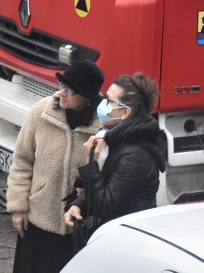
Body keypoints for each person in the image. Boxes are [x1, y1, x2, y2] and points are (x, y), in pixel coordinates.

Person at [7, 59, 104, 273]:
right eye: (61, 85)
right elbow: (22, 161)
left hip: (79, 228)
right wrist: (18, 207)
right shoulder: (41, 112)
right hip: (39, 222)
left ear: (87, 97)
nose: (61, 92)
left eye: (70, 89)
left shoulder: (103, 127)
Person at [63, 72, 166, 234]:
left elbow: (106, 207)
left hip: (130, 236)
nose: (103, 104)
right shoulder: (113, 135)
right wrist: (78, 204)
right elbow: (108, 185)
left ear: (125, 112)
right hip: (115, 232)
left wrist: (91, 163)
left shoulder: (135, 155)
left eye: (109, 101)